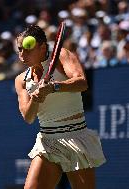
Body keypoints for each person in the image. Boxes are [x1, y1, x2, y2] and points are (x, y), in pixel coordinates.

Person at [14, 25, 106, 189]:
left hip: (76, 136)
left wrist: (54, 87)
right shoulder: (21, 80)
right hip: (48, 142)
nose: (22, 55)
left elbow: (82, 82)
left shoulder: (62, 55)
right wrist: (35, 98)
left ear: (43, 48)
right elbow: (28, 118)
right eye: (19, 49)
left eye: (27, 49)